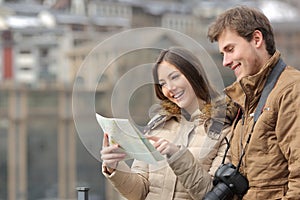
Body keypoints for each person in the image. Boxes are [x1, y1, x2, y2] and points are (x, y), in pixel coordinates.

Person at [100, 47, 236, 200]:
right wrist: (115, 167)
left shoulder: (225, 129)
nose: (170, 88)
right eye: (163, 83)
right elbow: (140, 192)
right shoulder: (157, 125)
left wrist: (177, 156)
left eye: (175, 77)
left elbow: (213, 195)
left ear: (195, 73)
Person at [207, 5, 300, 199]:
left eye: (230, 49)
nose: (225, 61)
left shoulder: (291, 90)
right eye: (222, 53)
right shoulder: (245, 98)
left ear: (256, 39)